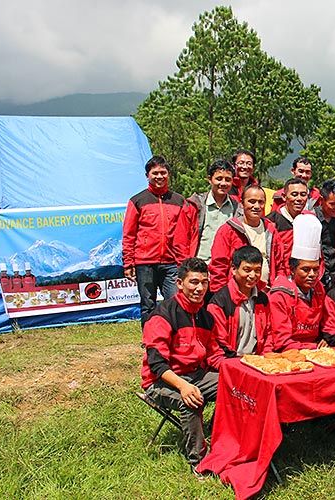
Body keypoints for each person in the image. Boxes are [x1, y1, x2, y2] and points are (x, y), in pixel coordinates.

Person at [140, 258, 225, 473]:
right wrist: (183, 386)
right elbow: (156, 364)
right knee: (191, 400)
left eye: (204, 283)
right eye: (194, 282)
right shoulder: (162, 315)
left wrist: (237, 369)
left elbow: (214, 354)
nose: (199, 288)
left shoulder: (206, 316)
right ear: (179, 284)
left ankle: (222, 442)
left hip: (196, 374)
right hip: (160, 381)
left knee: (235, 384)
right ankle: (199, 462)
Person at [123, 155, 184, 327]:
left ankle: (175, 338)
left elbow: (184, 233)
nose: (159, 177)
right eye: (155, 173)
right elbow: (129, 233)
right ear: (147, 175)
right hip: (145, 262)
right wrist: (128, 263)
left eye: (163, 173)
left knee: (175, 302)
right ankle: (151, 341)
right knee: (147, 304)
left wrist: (182, 260)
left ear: (168, 174)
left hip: (172, 263)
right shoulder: (137, 201)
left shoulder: (179, 201)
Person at [269, 214, 326, 351]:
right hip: (287, 352)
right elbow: (282, 341)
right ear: (292, 270)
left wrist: (326, 338)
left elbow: (325, 324)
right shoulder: (280, 295)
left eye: (316, 270)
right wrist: (312, 348)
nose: (312, 275)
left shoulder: (319, 289)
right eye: (306, 270)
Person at [209, 185, 277, 293]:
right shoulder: (229, 230)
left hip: (266, 294)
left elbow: (281, 263)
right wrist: (221, 296)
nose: (256, 206)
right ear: (241, 203)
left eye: (261, 202)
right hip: (236, 294)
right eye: (252, 201)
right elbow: (218, 266)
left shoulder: (271, 229)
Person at [208, 246, 271, 357]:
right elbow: (218, 342)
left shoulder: (263, 299)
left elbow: (269, 334)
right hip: (230, 361)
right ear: (233, 269)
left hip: (258, 361)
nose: (252, 276)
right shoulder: (220, 302)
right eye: (247, 270)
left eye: (257, 271)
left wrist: (265, 357)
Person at [173, 159, 238, 265]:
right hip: (198, 267)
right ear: (209, 179)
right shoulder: (194, 205)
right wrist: (186, 266)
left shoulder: (237, 209)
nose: (223, 183)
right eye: (219, 179)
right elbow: (180, 241)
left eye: (227, 179)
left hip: (225, 269)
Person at [267, 178, 311, 280]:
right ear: (284, 196)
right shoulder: (270, 223)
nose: (299, 198)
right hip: (278, 280)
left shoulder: (309, 221)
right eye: (294, 194)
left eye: (303, 194)